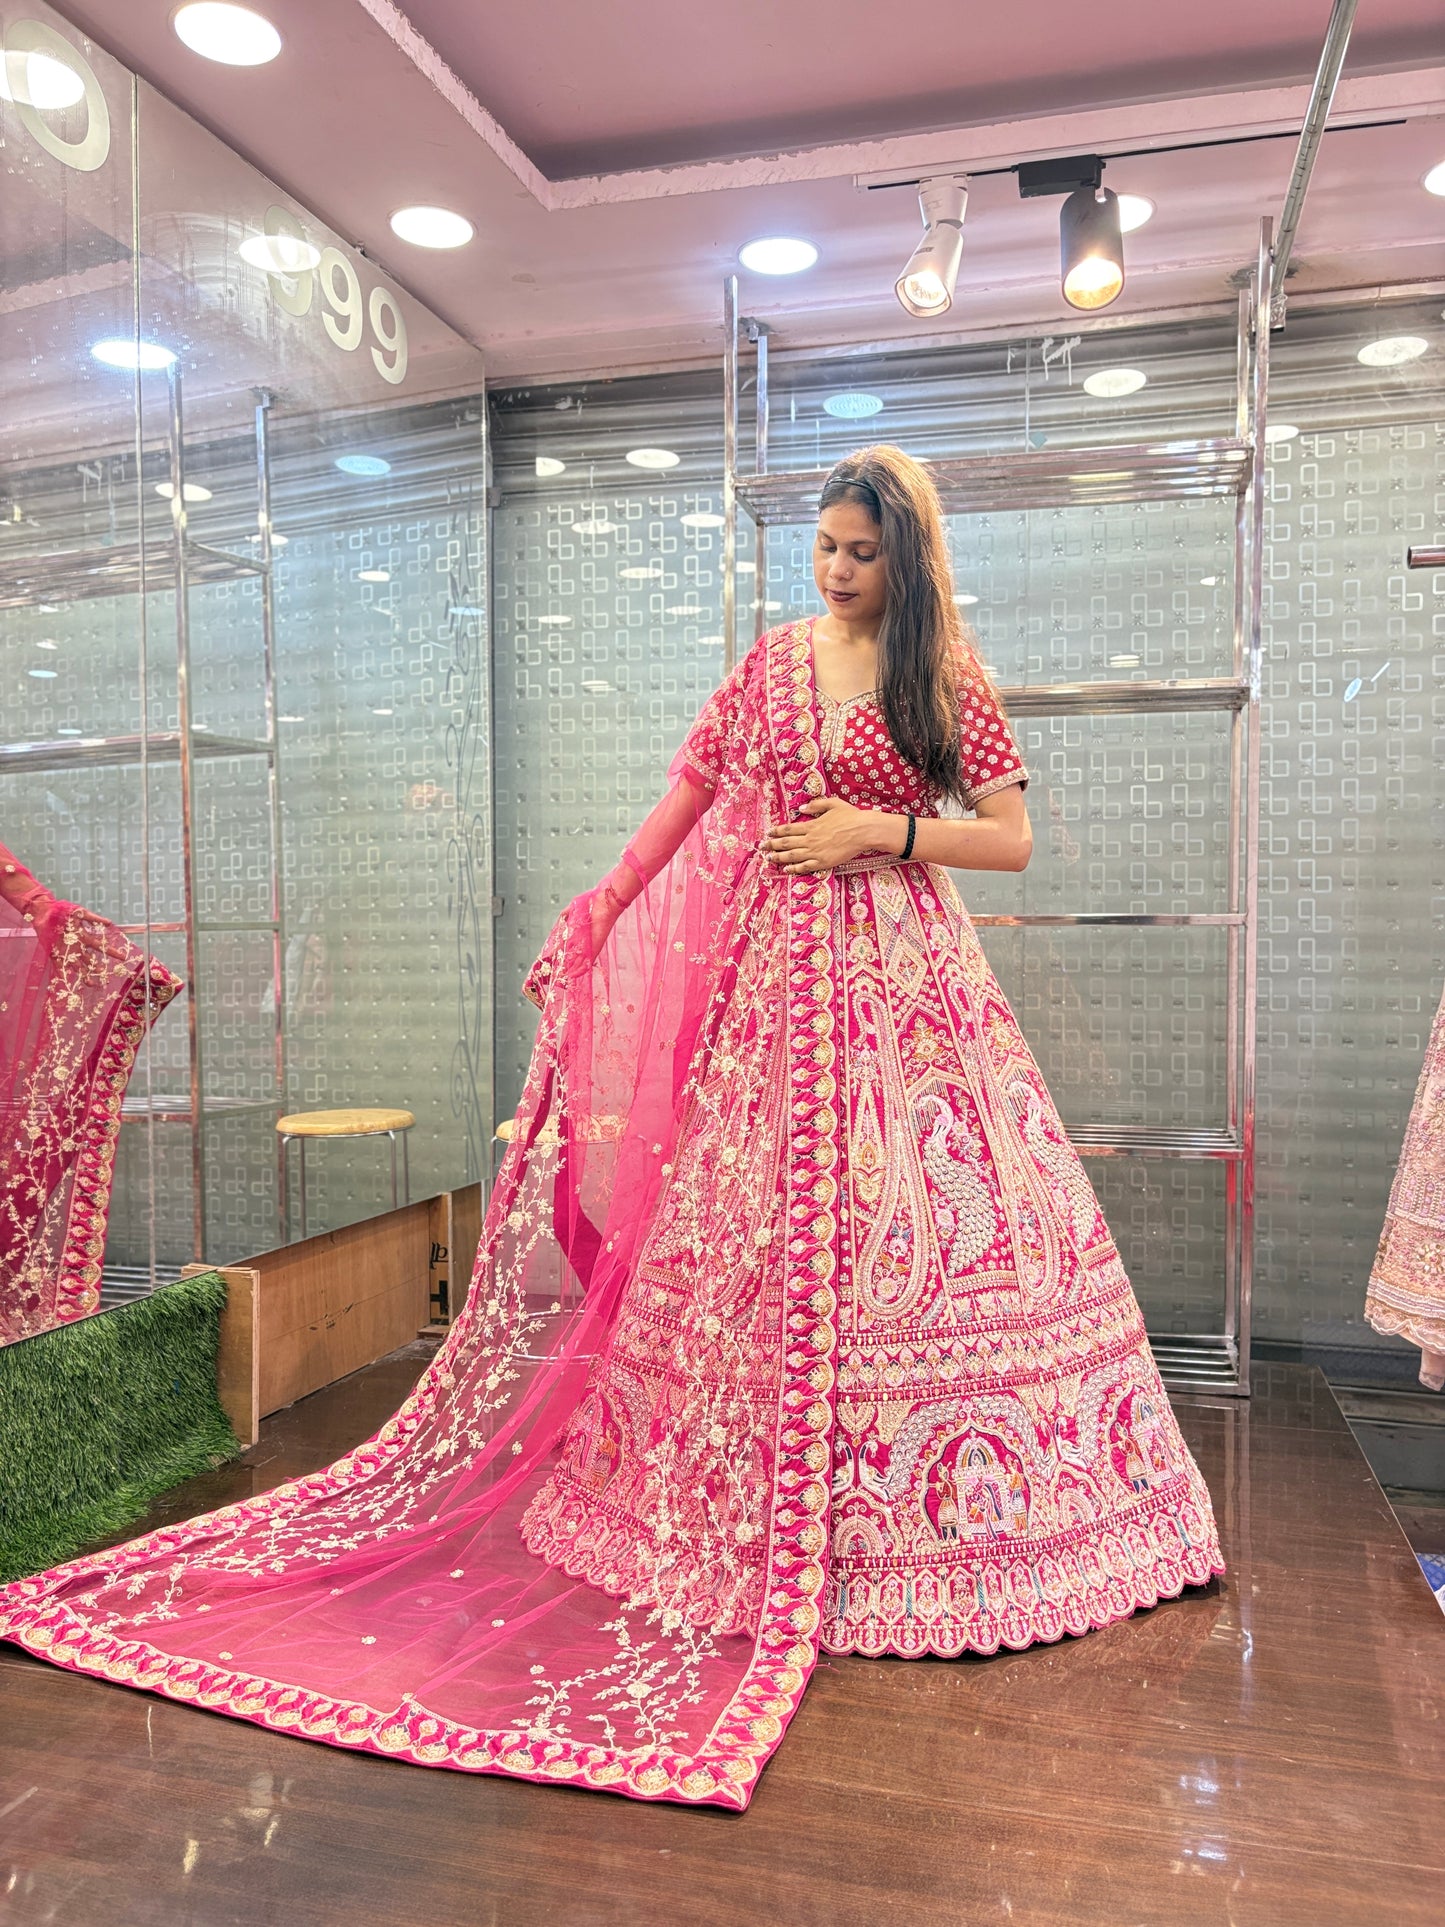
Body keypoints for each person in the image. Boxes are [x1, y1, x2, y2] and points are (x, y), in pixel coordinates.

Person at [0, 446, 1222, 1810]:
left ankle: (946, 1529)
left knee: (917, 1230)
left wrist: (881, 833)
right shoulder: (766, 665)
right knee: (738, 1234)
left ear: (908, 559)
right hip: (766, 997)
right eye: (819, 545)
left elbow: (1006, 841)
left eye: (859, 552)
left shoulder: (944, 680)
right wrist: (605, 903)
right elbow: (689, 798)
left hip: (901, 992)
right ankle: (704, 1509)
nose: (832, 570)